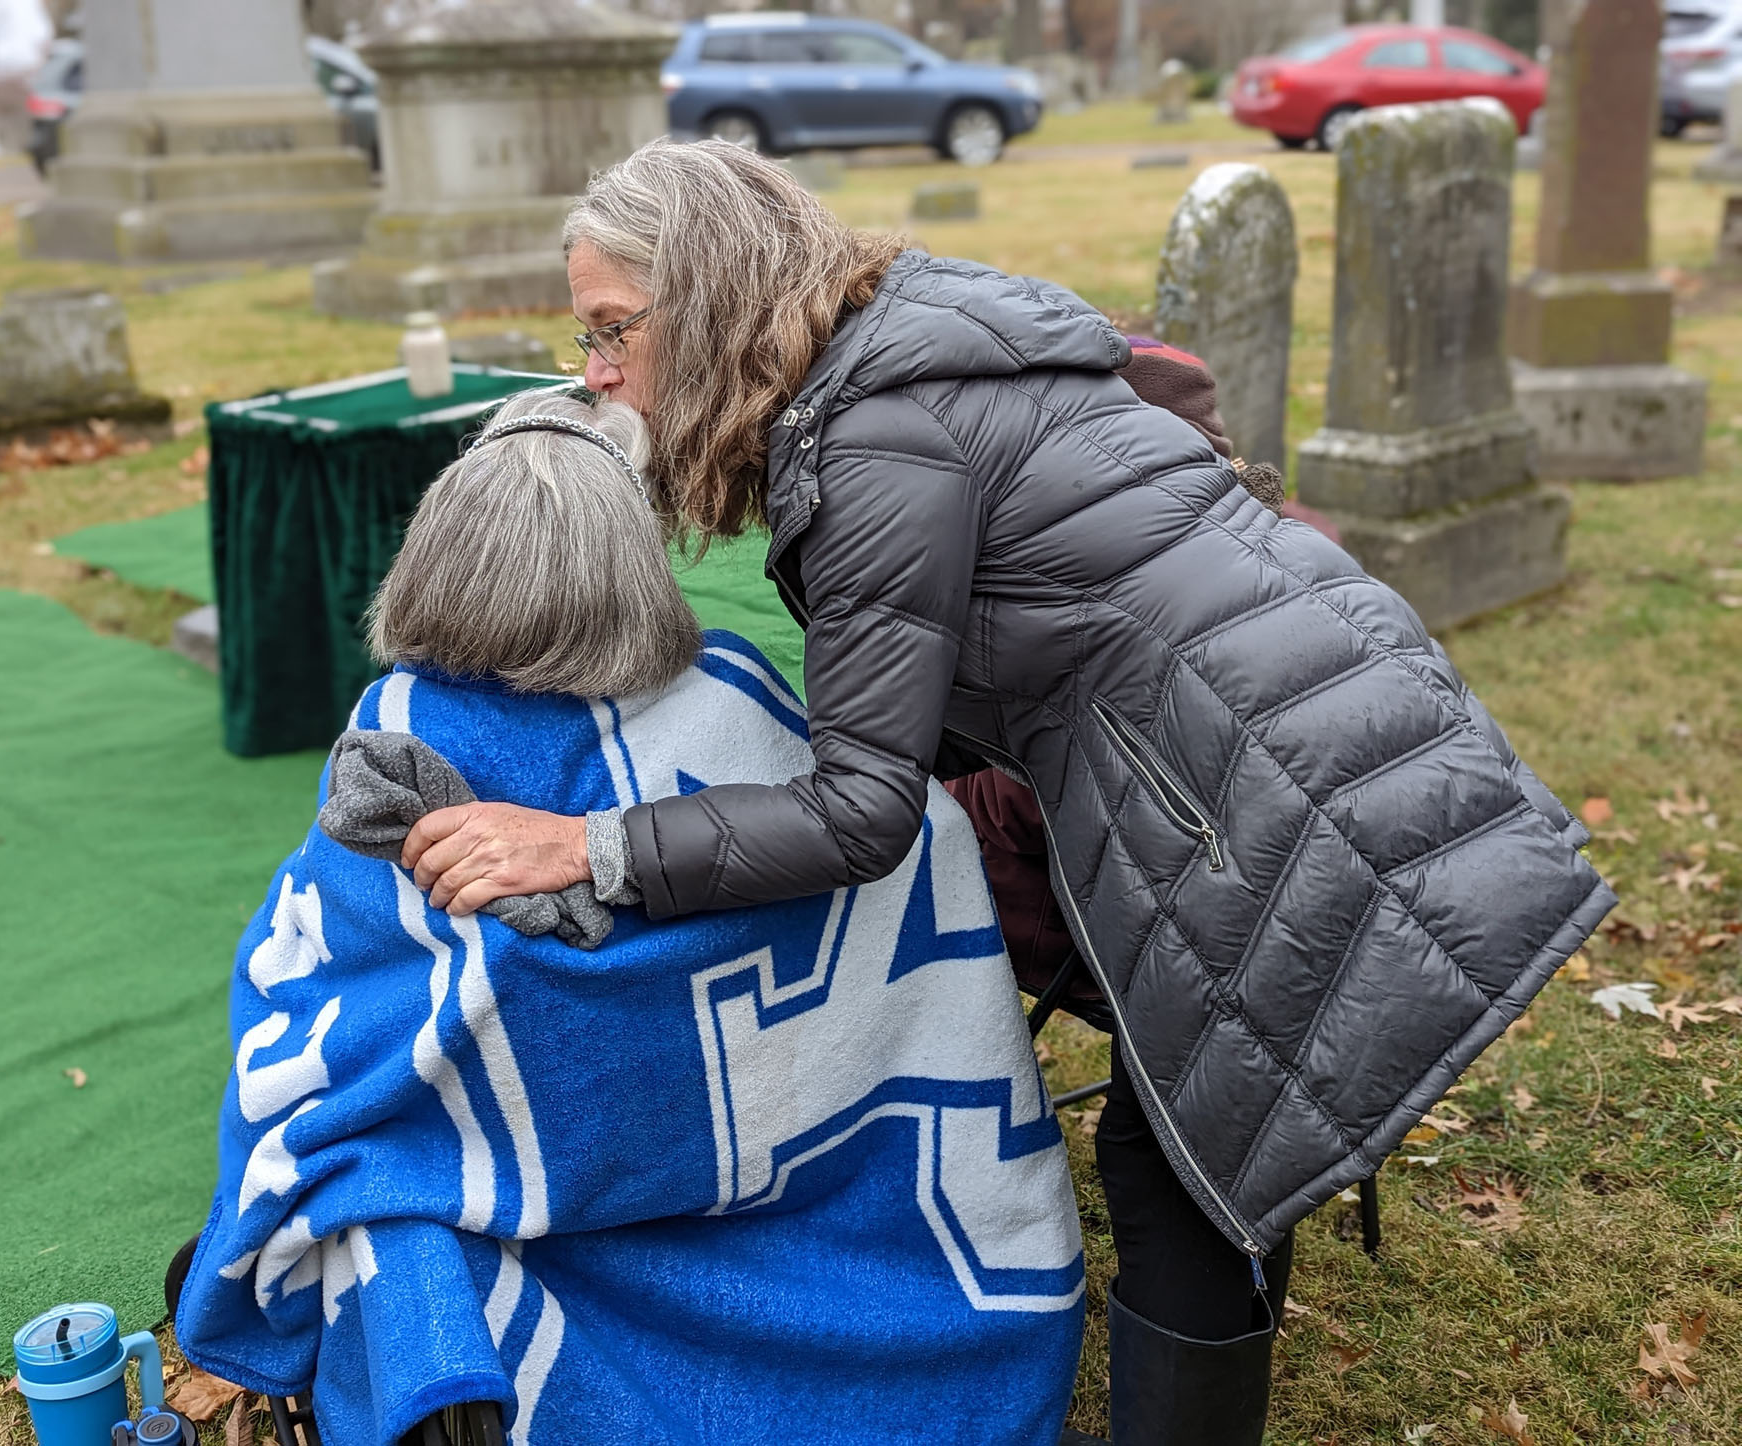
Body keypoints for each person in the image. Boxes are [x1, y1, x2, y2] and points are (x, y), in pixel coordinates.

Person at [400, 141, 1614, 1445]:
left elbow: (861, 810)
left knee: (1183, 1167)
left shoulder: (870, 431)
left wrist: (594, 840)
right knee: (1207, 1143)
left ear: (704, 299)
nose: (594, 373)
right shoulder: (910, 329)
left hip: (1274, 784)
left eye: (610, 331)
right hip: (1335, 718)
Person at [174, 389, 1088, 1446]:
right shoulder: (736, 684)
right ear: (635, 566)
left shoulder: (399, 730)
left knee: (377, 1189)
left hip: (547, 1197)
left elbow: (314, 990)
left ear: (434, 556)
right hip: (826, 1203)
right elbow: (911, 843)